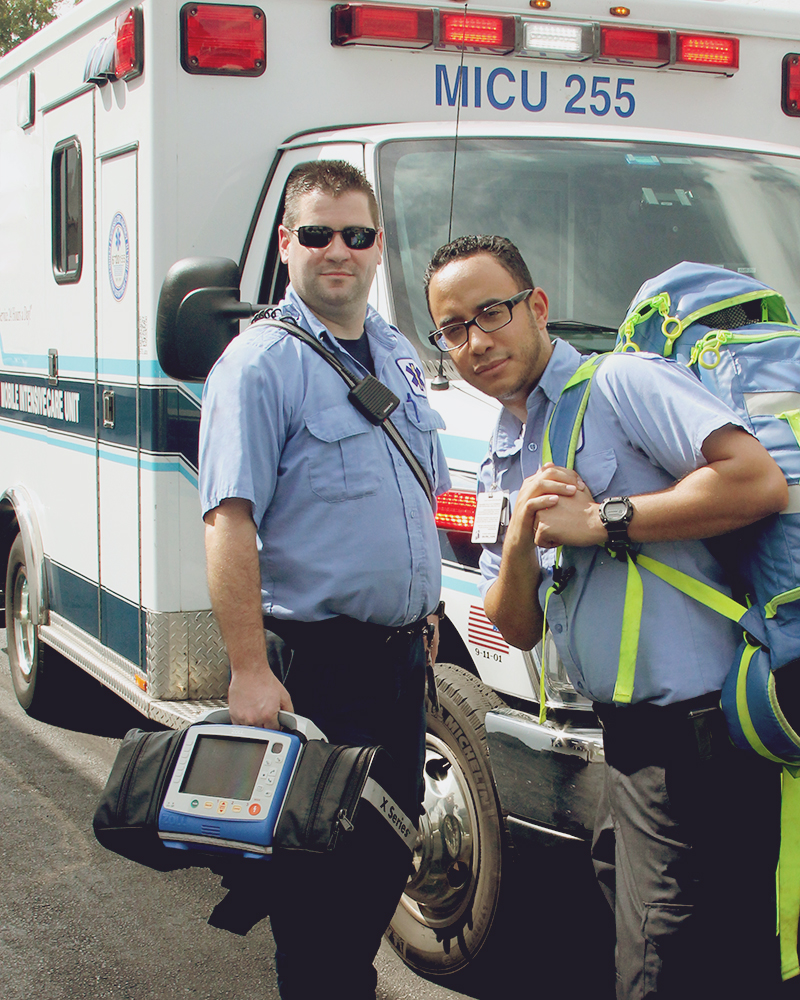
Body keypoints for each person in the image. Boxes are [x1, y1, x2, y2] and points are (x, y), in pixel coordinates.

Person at [424, 234, 790, 999]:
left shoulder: (621, 384)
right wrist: (522, 540)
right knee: (696, 960)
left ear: (537, 307)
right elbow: (513, 624)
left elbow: (755, 484)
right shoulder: (504, 455)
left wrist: (606, 519)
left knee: (661, 972)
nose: (476, 341)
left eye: (491, 312)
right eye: (453, 329)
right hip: (623, 744)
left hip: (701, 747)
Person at [198, 160, 449, 999]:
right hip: (314, 670)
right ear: (286, 244)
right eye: (316, 234)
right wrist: (248, 669)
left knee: (383, 861)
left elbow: (410, 492)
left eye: (355, 234)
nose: (336, 250)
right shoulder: (259, 364)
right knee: (314, 888)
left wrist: (427, 604)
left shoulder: (396, 352)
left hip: (398, 666)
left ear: (379, 246)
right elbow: (229, 521)